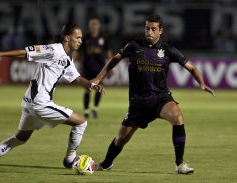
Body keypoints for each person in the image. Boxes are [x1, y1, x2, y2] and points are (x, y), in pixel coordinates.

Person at [92, 15, 215, 174]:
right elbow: (114, 60)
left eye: (153, 29)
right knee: (121, 139)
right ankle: (106, 163)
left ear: (160, 31)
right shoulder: (134, 46)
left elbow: (191, 68)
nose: (149, 32)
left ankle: (180, 164)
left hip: (160, 98)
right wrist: (99, 77)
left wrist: (202, 83)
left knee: (177, 117)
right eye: (147, 29)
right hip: (138, 102)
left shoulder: (168, 50)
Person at [0, 23, 105, 172]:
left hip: (29, 103)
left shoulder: (67, 58)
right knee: (81, 122)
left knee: (21, 138)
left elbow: (76, 78)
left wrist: (91, 85)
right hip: (40, 103)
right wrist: (0, 54)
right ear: (68, 38)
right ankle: (69, 159)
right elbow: (27, 52)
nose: (81, 40)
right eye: (78, 37)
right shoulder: (53, 49)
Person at [78, 18, 113, 119]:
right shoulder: (85, 38)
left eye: (95, 24)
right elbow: (78, 53)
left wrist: (110, 68)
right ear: (89, 26)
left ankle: (94, 109)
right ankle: (86, 111)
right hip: (87, 68)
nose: (94, 26)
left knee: (99, 89)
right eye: (92, 24)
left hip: (99, 69)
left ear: (98, 26)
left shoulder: (103, 38)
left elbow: (108, 53)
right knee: (87, 89)